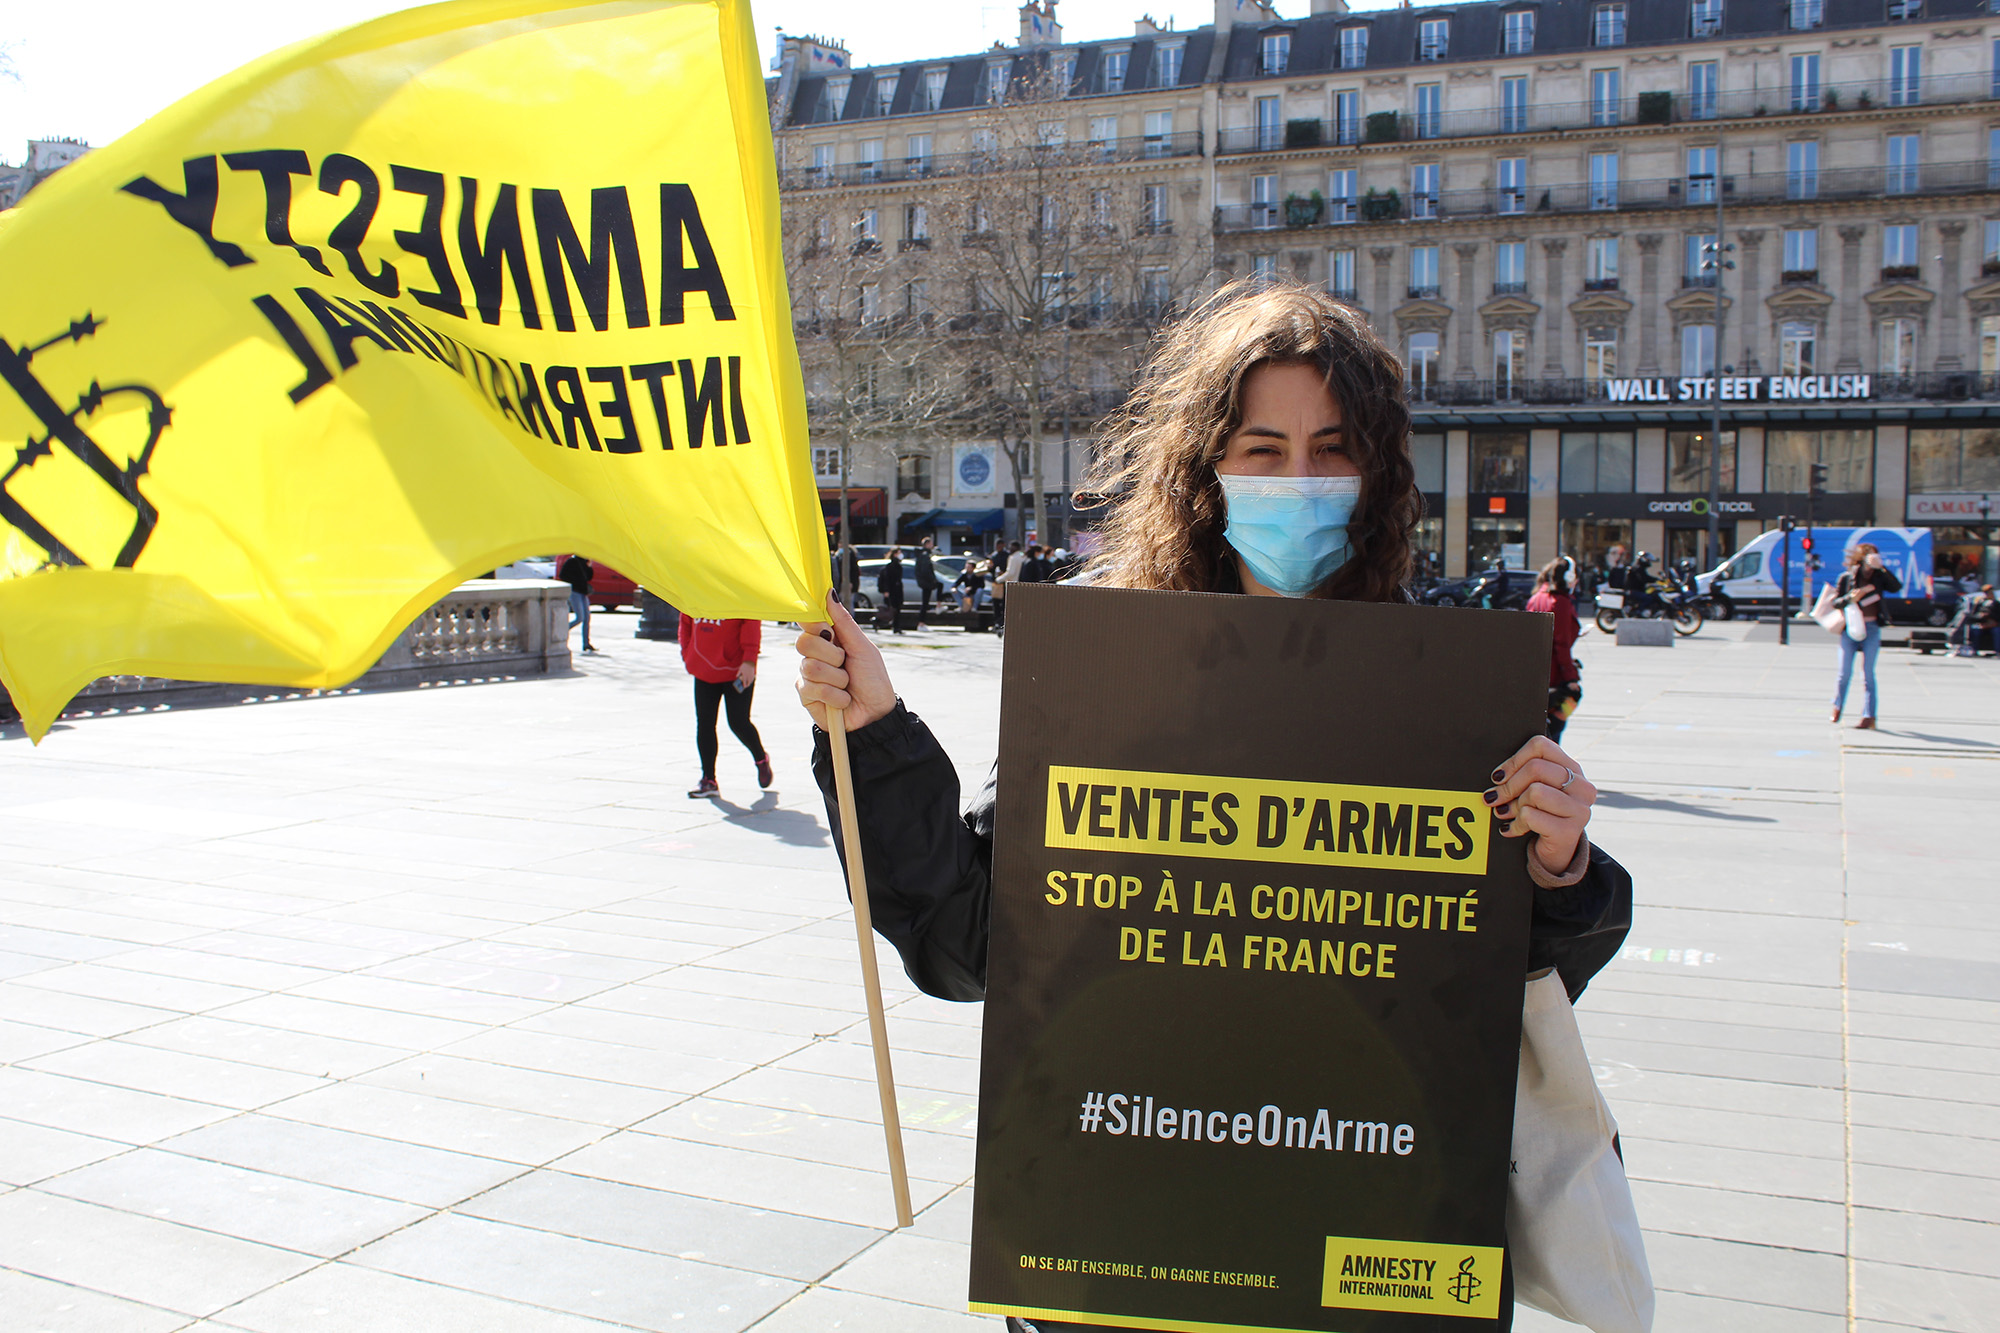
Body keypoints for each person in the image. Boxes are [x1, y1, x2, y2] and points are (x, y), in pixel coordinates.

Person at [794, 282, 1631, 1333]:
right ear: (1205, 469)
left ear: (1374, 475)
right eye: (1262, 450)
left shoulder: (1443, 694)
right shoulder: (1112, 672)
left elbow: (1504, 976)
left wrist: (1560, 866)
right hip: (1127, 1254)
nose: (1299, 481)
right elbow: (969, 943)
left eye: (1330, 449)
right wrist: (874, 736)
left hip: (1366, 1244)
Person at [679, 613, 771, 797]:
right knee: (705, 724)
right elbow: (685, 621)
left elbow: (751, 620)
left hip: (737, 670)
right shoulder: (696, 589)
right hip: (703, 668)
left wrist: (749, 660)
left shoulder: (738, 588)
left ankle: (761, 759)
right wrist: (687, 653)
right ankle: (708, 779)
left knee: (738, 722)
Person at [1830, 542, 1901, 727]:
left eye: (1875, 555)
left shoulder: (1879, 577)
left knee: (1868, 674)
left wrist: (1882, 568)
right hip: (1850, 628)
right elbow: (1835, 602)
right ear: (1861, 558)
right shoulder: (1847, 577)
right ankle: (1837, 706)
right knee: (1844, 672)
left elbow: (1895, 587)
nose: (1872, 559)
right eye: (1869, 556)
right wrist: (1850, 598)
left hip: (1871, 628)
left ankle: (1869, 715)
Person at [1525, 557, 1582, 742]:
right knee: (1573, 698)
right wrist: (1571, 676)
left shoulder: (1535, 599)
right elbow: (1561, 644)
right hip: (1555, 674)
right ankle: (1553, 734)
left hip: (1535, 675)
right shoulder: (1561, 602)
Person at [558, 553, 597, 654]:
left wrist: (589, 567)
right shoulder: (571, 561)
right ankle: (561, 631)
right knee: (580, 618)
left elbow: (588, 577)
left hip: (583, 592)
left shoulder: (584, 562)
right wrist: (575, 583)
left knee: (587, 618)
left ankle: (586, 643)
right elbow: (563, 576)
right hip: (575, 592)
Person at [876, 548, 906, 634]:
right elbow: (887, 579)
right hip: (892, 590)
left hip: (897, 590)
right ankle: (879, 621)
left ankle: (896, 627)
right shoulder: (891, 566)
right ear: (895, 554)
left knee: (897, 609)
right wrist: (886, 590)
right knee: (892, 609)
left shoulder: (898, 565)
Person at [914, 537, 941, 627]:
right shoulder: (925, 555)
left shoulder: (923, 554)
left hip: (924, 581)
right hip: (926, 581)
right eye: (930, 543)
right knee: (925, 601)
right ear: (927, 544)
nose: (932, 545)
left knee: (925, 601)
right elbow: (926, 570)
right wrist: (932, 579)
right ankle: (921, 622)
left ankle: (922, 622)